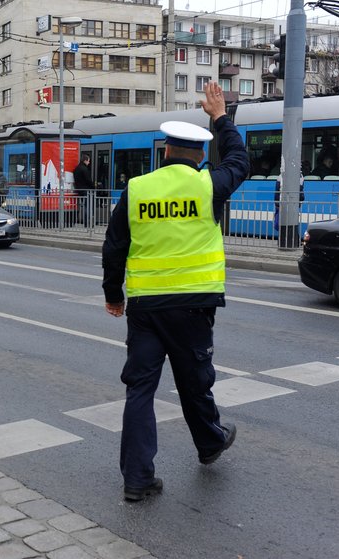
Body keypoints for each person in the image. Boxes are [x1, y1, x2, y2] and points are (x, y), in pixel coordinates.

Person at [102, 82, 250, 502]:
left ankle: (137, 479)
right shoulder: (210, 186)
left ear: (164, 151)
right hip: (193, 306)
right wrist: (221, 118)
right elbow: (240, 160)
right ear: (201, 156)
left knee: (140, 391)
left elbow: (114, 248)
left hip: (146, 309)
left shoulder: (137, 190)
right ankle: (209, 443)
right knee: (194, 383)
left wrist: (114, 294)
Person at [74, 153, 95, 226]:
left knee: (85, 206)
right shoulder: (84, 169)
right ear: (85, 161)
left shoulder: (76, 168)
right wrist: (94, 187)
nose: (89, 163)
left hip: (79, 190)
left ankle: (86, 222)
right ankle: (87, 222)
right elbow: (88, 180)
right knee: (88, 206)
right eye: (88, 161)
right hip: (86, 190)